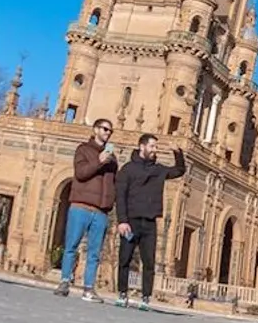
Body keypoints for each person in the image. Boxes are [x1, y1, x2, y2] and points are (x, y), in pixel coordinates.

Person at [113, 132, 186, 308]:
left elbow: (179, 171)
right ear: (142, 147)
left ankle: (146, 297)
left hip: (149, 222)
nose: (155, 150)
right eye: (152, 146)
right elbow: (120, 196)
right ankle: (122, 293)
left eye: (156, 147)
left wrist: (178, 153)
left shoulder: (158, 170)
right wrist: (122, 220)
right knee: (124, 258)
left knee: (149, 261)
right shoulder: (128, 169)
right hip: (130, 221)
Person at [57, 118, 119, 300]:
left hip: (101, 211)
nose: (108, 133)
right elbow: (81, 174)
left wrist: (111, 201)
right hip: (80, 205)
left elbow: (113, 182)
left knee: (94, 252)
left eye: (110, 131)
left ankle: (89, 287)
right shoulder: (83, 149)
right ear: (95, 130)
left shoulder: (112, 158)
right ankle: (65, 281)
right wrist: (99, 161)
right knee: (71, 245)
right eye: (105, 129)